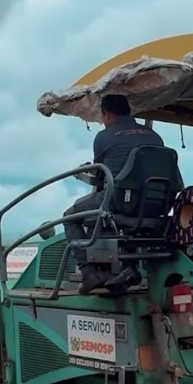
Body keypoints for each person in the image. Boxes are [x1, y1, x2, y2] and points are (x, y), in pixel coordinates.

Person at [63, 94, 163, 293]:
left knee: (70, 217)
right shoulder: (154, 136)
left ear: (107, 114)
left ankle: (88, 273)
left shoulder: (104, 137)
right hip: (154, 204)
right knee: (128, 201)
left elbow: (101, 178)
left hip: (119, 203)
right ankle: (129, 268)